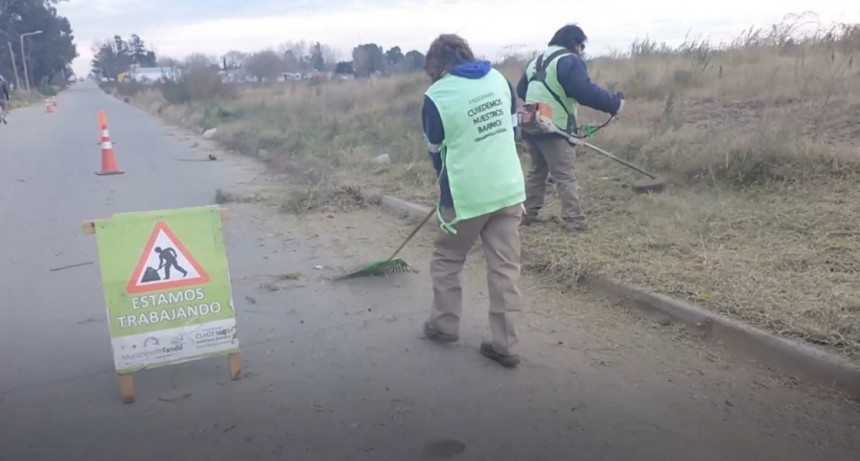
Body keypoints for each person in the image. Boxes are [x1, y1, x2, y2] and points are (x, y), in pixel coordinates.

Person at [421, 33, 526, 368]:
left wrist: (445, 188)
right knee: (505, 267)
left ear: (435, 65)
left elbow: (435, 152)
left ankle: (444, 324)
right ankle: (506, 344)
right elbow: (513, 131)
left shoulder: (436, 96)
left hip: (466, 195)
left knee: (448, 258)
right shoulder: (499, 79)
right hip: (508, 188)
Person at [516, 24, 625, 232]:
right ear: (575, 44)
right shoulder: (568, 60)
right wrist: (615, 104)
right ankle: (575, 222)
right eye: (582, 47)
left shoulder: (536, 61)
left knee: (537, 171)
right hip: (553, 127)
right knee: (565, 175)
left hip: (531, 123)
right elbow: (585, 91)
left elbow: (522, 89)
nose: (582, 51)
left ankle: (528, 214)